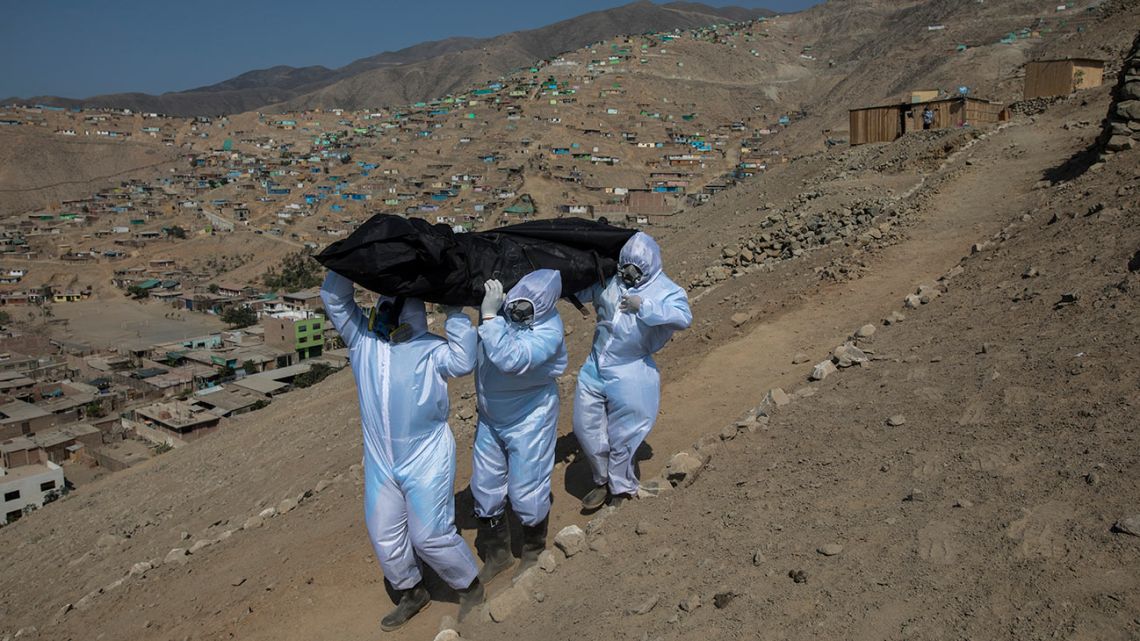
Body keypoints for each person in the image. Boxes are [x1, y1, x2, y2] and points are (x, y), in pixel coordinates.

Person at [320, 271, 485, 632]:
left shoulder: (431, 349)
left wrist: (454, 312)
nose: (387, 315)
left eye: (395, 308)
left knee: (430, 535)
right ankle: (412, 590)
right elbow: (334, 298)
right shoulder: (363, 343)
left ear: (410, 315)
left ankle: (471, 587)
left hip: (426, 457)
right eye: (384, 306)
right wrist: (346, 264)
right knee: (383, 532)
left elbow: (463, 361)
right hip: (381, 460)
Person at [572, 231, 692, 509]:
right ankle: (602, 479)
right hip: (595, 365)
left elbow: (683, 317)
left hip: (630, 368)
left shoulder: (665, 289)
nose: (629, 274)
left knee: (625, 432)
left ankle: (621, 488)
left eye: (636, 271)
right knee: (585, 427)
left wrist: (645, 306)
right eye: (626, 267)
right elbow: (583, 289)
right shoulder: (611, 278)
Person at [471, 269, 567, 581]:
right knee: (485, 487)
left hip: (529, 417)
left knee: (526, 489)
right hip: (491, 416)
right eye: (515, 303)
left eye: (525, 308)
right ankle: (498, 554)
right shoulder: (506, 314)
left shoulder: (549, 333)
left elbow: (510, 359)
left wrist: (489, 317)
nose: (516, 311)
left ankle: (534, 549)